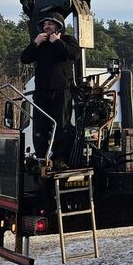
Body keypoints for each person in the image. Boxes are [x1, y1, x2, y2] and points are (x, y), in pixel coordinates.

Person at [20, 9, 81, 168]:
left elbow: (74, 55)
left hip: (62, 90)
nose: (46, 27)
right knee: (40, 125)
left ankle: (60, 158)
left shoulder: (67, 40)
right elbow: (25, 58)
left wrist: (57, 42)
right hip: (41, 90)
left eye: (50, 24)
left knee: (62, 125)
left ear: (58, 26)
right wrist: (35, 43)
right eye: (45, 24)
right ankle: (42, 157)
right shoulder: (39, 43)